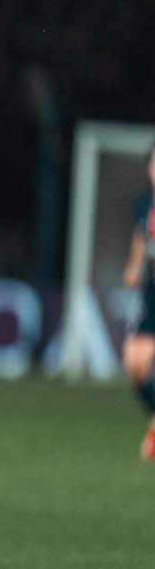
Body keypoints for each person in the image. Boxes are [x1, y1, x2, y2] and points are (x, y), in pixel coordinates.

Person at [121, 145, 155, 460]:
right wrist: (134, 266)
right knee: (134, 363)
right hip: (152, 294)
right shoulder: (146, 205)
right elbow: (142, 236)